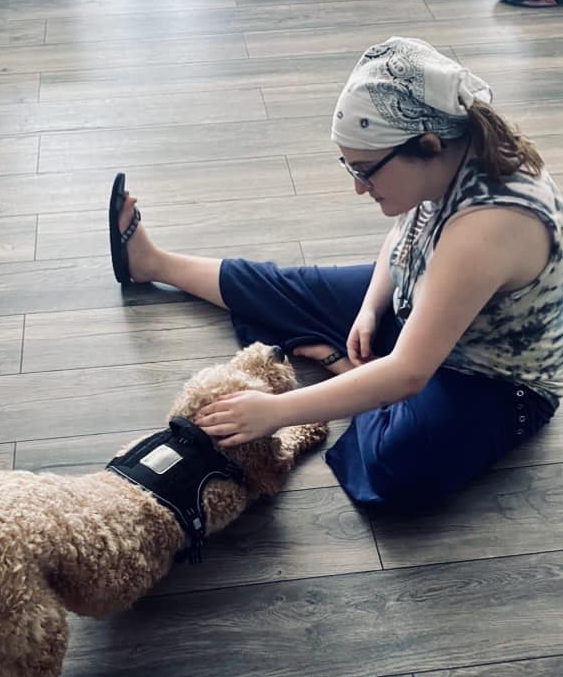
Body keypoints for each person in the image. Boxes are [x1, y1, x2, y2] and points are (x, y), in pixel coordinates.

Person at [108, 37, 563, 511]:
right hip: (429, 306)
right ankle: (153, 263)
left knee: (398, 463)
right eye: (350, 166)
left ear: (425, 146)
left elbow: (409, 374)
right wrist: (369, 308)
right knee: (291, 287)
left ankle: (343, 366)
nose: (357, 188)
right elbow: (410, 231)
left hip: (490, 380)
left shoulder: (489, 226)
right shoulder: (451, 147)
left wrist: (276, 412)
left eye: (365, 171)